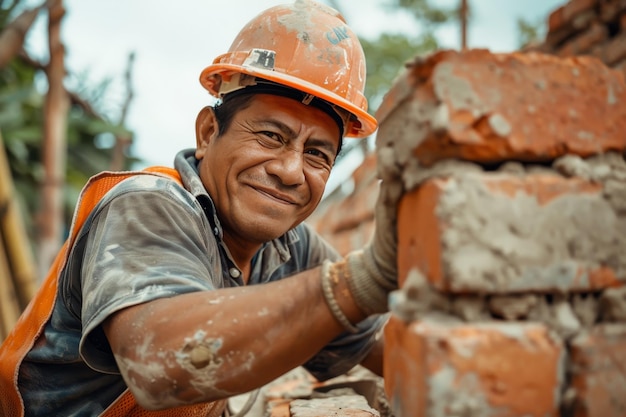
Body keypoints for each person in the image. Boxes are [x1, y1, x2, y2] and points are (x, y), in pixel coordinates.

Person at [0, 0, 399, 415]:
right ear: (209, 132)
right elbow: (160, 363)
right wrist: (360, 281)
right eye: (270, 136)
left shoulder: (291, 249)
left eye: (317, 154)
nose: (290, 171)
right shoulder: (147, 207)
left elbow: (385, 346)